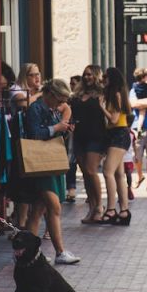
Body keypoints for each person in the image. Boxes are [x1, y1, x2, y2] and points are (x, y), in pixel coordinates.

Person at [23, 79, 81, 264]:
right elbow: (34, 135)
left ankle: (29, 253)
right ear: (50, 94)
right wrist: (57, 127)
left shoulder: (50, 108)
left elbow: (52, 133)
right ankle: (60, 252)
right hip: (41, 165)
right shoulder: (36, 108)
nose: (60, 105)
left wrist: (64, 129)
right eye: (59, 100)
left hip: (49, 163)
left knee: (38, 210)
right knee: (54, 207)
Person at [70, 66, 106, 223]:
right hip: (79, 137)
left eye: (90, 74)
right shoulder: (77, 95)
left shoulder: (102, 94)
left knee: (91, 171)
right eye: (85, 74)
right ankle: (91, 207)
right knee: (85, 173)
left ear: (97, 76)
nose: (86, 77)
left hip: (96, 136)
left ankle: (99, 206)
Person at [99, 67, 132, 225]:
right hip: (117, 134)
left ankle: (111, 209)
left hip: (119, 134)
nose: (103, 79)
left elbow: (113, 119)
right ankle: (124, 211)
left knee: (107, 171)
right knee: (119, 174)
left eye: (105, 76)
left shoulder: (116, 95)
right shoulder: (116, 94)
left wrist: (102, 107)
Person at [64, 74, 83, 203]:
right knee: (71, 161)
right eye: (70, 83)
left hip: (81, 133)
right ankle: (71, 189)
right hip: (69, 132)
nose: (72, 86)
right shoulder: (69, 99)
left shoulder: (82, 99)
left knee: (82, 163)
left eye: (74, 83)